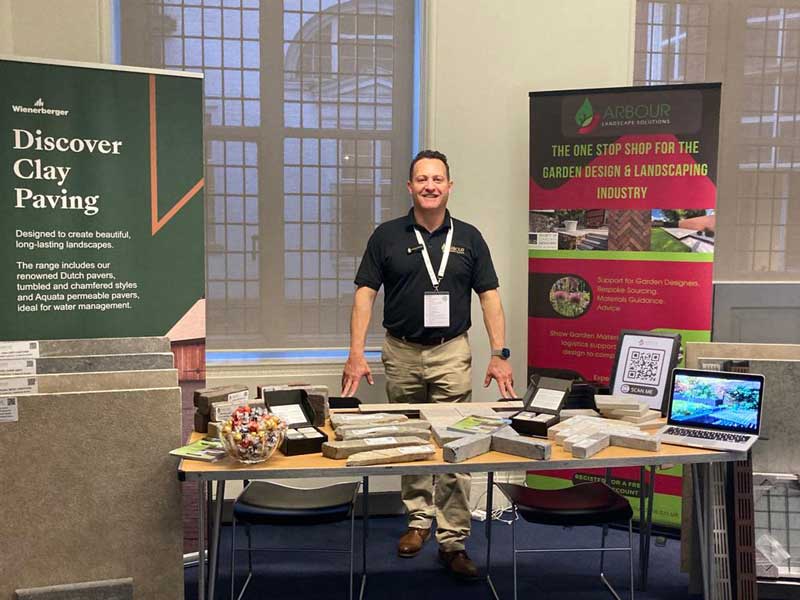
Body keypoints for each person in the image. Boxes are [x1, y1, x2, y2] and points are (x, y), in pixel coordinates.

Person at [341, 149, 515, 580]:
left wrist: (499, 353)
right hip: (400, 352)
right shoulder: (386, 236)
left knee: (456, 442)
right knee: (410, 438)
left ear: (450, 186)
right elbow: (365, 293)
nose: (430, 186)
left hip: (451, 351)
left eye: (438, 179)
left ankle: (453, 539)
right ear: (410, 187)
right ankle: (418, 522)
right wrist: (355, 352)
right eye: (422, 179)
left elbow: (489, 296)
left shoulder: (470, 238)